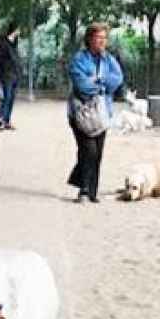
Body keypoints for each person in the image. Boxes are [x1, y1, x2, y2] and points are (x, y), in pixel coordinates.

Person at [66, 23, 123, 203]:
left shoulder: (109, 60)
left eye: (104, 38)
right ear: (89, 39)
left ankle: (92, 191)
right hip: (81, 112)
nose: (102, 42)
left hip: (102, 111)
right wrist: (101, 86)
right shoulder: (79, 59)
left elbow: (118, 79)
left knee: (97, 152)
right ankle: (83, 189)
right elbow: (81, 85)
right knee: (88, 150)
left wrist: (99, 81)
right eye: (99, 38)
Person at [0, 26, 22, 130]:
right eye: (18, 30)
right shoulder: (4, 45)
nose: (19, 32)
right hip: (6, 76)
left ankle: (7, 120)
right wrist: (0, 76)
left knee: (11, 99)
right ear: (14, 30)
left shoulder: (14, 44)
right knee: (6, 98)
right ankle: (0, 121)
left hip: (15, 76)